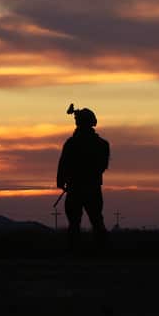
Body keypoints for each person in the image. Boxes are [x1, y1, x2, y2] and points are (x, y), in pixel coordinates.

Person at [56, 104, 109, 252]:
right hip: (91, 188)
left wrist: (62, 180)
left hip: (77, 188)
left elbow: (63, 164)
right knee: (96, 220)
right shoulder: (102, 144)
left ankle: (75, 251)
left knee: (76, 223)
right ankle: (102, 251)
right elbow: (102, 166)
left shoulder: (72, 143)